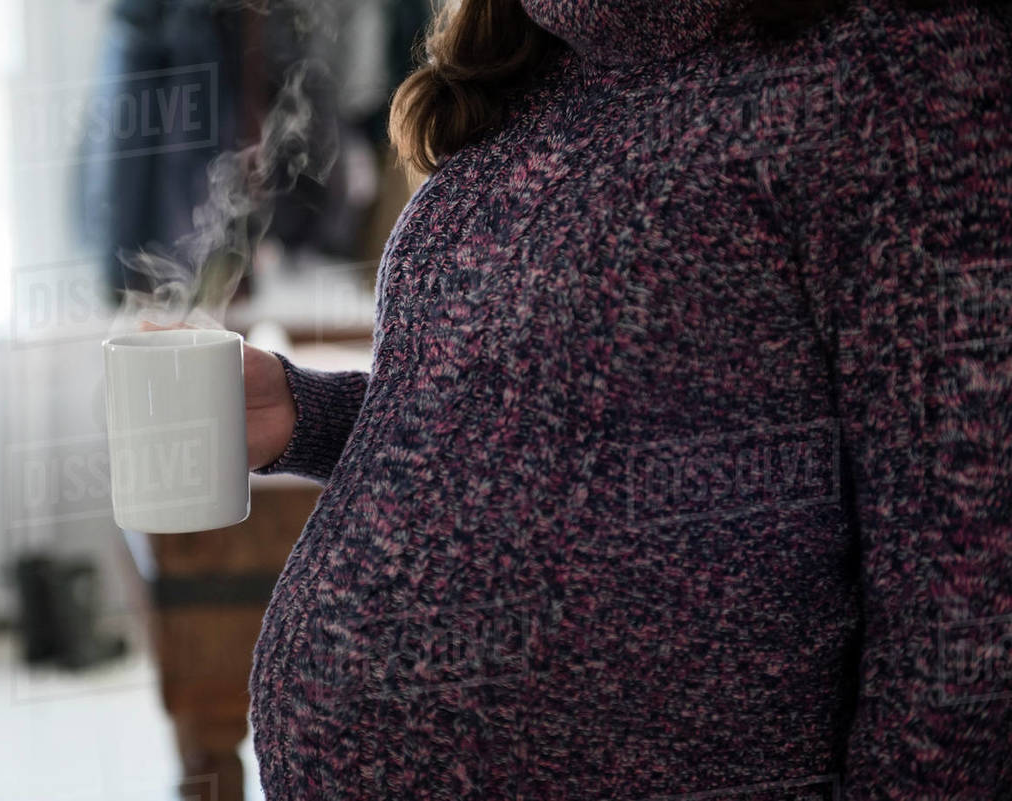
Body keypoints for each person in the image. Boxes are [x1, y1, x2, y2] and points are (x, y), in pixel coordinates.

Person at [239, 0, 1012, 798]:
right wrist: (309, 413)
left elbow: (971, 574)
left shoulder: (895, 64)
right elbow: (547, 431)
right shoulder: (547, 67)